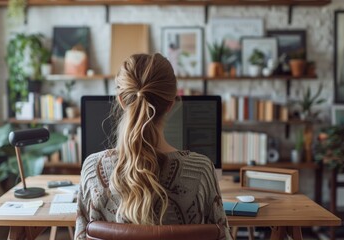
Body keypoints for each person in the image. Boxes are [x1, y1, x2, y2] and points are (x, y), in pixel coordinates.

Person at [75, 53, 233, 240]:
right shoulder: (201, 170)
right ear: (170, 104)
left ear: (121, 100)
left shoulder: (93, 168)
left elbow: (81, 236)